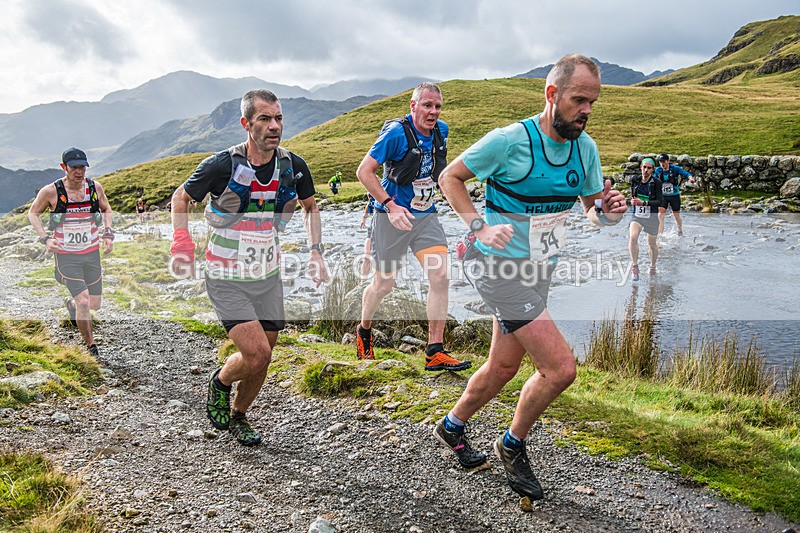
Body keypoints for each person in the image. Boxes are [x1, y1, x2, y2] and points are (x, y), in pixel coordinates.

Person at [434, 54, 627, 500]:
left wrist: (611, 213)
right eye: (579, 100)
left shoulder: (586, 148)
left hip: (539, 269)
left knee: (503, 366)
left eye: (593, 102)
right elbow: (451, 177)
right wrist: (478, 224)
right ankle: (513, 444)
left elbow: (595, 211)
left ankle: (452, 426)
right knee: (559, 369)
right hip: (495, 266)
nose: (587, 111)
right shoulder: (509, 141)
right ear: (551, 94)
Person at [169, 89, 329, 446]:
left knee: (263, 358)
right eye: (264, 119)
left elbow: (309, 208)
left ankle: (240, 415)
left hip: (267, 277)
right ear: (246, 123)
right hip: (226, 277)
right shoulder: (222, 164)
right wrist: (181, 240)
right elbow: (181, 196)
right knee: (258, 353)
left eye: (278, 118)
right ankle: (221, 381)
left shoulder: (293, 166)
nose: (274, 127)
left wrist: (315, 252)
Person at [355, 82, 471, 372]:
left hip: (425, 217)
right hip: (391, 218)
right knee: (384, 284)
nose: (433, 112)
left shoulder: (441, 131)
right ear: (413, 106)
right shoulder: (395, 134)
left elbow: (438, 172)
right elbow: (364, 171)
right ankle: (364, 331)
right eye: (427, 105)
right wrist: (390, 206)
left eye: (437, 106)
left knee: (441, 275)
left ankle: (435, 351)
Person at [27, 147, 114, 358]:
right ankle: (91, 348)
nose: (79, 171)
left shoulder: (95, 188)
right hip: (66, 255)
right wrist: (45, 238)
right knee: (84, 301)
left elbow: (106, 209)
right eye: (74, 167)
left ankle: (71, 305)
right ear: (63, 167)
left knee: (94, 304)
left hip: (91, 252)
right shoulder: (51, 191)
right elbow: (33, 213)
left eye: (82, 167)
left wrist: (108, 233)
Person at [628, 157, 664, 281]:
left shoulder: (656, 182)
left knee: (652, 244)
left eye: (649, 168)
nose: (646, 170)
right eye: (644, 167)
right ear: (640, 168)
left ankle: (653, 267)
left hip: (652, 216)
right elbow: (633, 195)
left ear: (652, 170)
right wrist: (632, 201)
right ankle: (635, 267)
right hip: (637, 216)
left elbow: (660, 201)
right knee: (633, 237)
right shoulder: (635, 180)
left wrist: (644, 203)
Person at [654, 153, 695, 236]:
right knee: (661, 214)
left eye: (664, 162)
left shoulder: (675, 169)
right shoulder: (658, 170)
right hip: (663, 196)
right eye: (660, 162)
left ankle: (680, 230)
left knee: (676, 215)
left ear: (668, 161)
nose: (662, 164)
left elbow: (685, 173)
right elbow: (654, 180)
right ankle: (660, 234)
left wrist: (690, 178)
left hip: (674, 195)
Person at [359, 193, 374, 276]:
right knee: (366, 257)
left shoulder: (387, 184)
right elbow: (370, 202)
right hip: (373, 225)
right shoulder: (370, 186)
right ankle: (362, 283)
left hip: (387, 226)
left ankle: (392, 285)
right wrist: (364, 217)